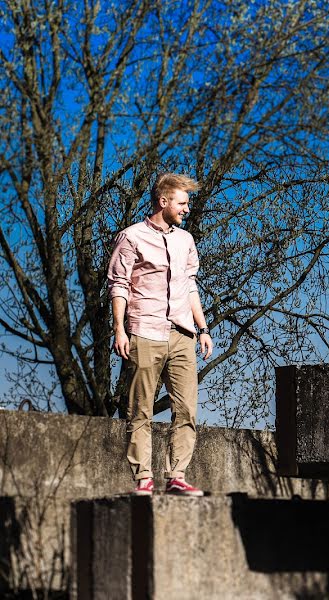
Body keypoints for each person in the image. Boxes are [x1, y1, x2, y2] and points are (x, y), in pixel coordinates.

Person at [107, 173, 214, 497]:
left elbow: (190, 286)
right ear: (163, 201)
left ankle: (177, 476)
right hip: (145, 331)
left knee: (186, 409)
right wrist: (120, 329)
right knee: (140, 408)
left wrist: (203, 328)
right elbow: (119, 285)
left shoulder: (186, 241)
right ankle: (143, 479)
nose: (186, 209)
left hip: (183, 334)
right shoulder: (131, 237)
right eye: (182, 203)